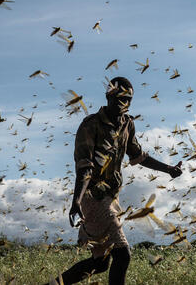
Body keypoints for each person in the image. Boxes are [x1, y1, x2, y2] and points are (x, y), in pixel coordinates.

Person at [46, 76, 183, 285]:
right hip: (91, 197)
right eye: (117, 99)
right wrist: (76, 201)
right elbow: (85, 168)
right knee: (123, 254)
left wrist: (168, 169)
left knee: (101, 264)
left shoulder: (127, 124)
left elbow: (138, 155)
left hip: (110, 197)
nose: (121, 104)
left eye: (126, 100)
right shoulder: (90, 125)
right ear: (108, 97)